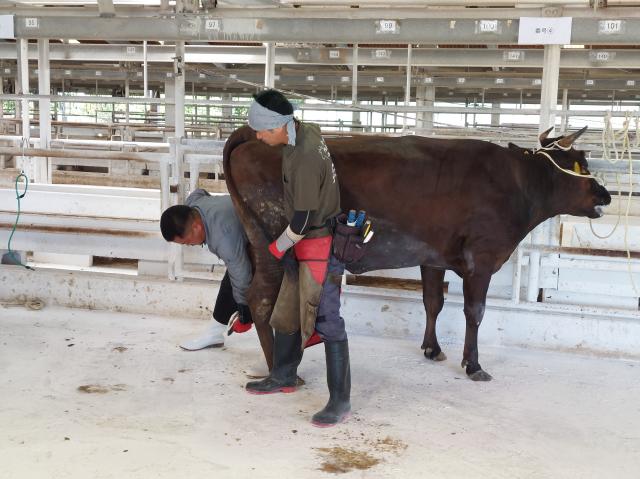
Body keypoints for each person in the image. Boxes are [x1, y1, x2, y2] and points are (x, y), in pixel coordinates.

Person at [245, 89, 351, 427]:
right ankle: (284, 374)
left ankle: (340, 400)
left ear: (279, 126)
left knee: (327, 319)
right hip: (303, 242)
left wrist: (277, 247)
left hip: (319, 243)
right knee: (287, 310)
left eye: (261, 131)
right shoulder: (306, 131)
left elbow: (303, 220)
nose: (258, 137)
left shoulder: (304, 157)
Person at [160, 188, 253, 350]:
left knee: (236, 279)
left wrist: (245, 313)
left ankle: (278, 353)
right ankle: (214, 334)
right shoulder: (194, 204)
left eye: (187, 242)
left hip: (269, 231)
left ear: (196, 227)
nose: (189, 245)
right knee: (232, 279)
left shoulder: (223, 239)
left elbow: (242, 274)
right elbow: (199, 192)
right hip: (240, 216)